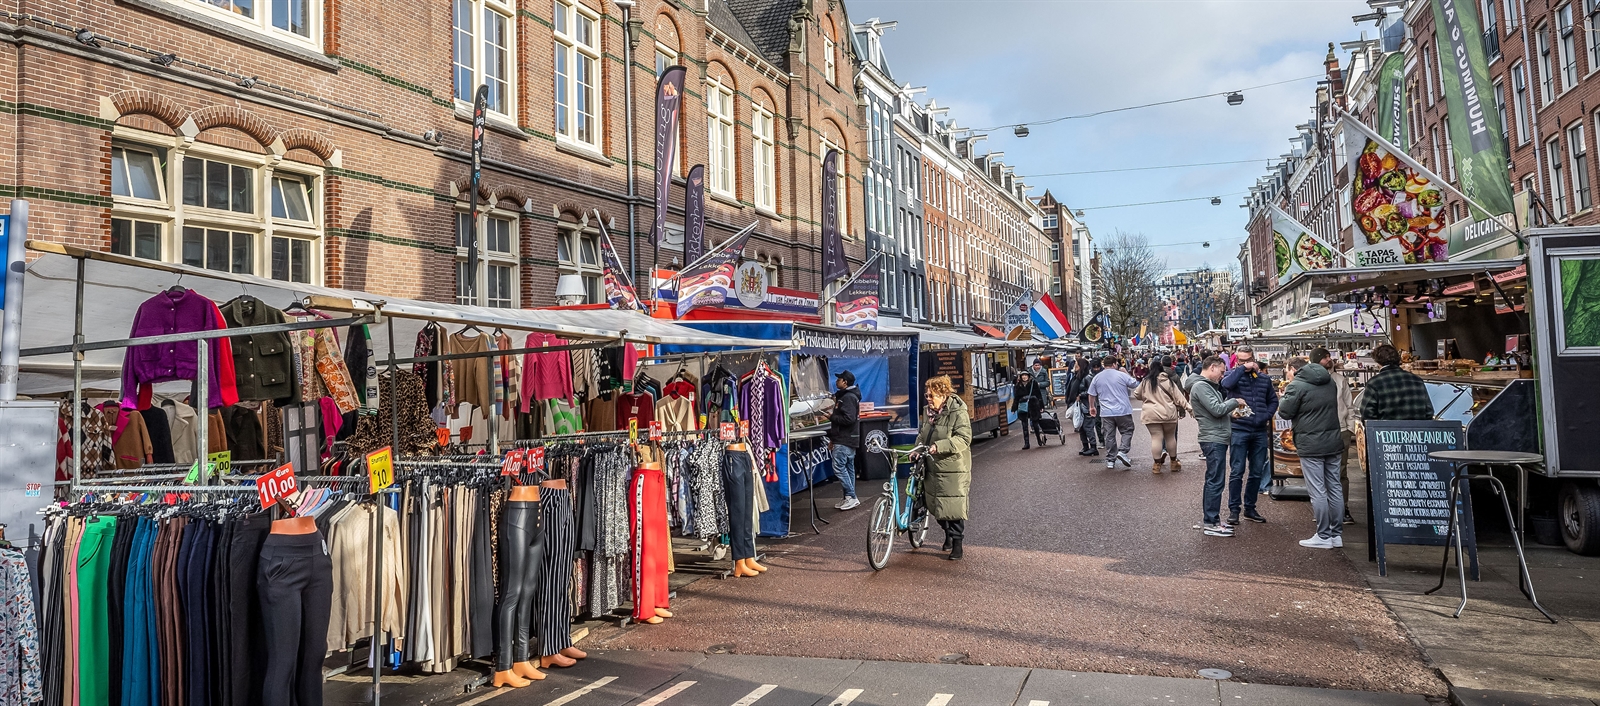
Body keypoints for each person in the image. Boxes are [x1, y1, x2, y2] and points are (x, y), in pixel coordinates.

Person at [1277, 357, 1347, 549]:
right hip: (1332, 439)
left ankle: (1323, 535)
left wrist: (1284, 395)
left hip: (1310, 443)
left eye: (1287, 370)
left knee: (1318, 490)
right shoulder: (1329, 381)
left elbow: (1285, 412)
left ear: (1292, 369)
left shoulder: (1296, 385)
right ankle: (1336, 534)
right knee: (1334, 486)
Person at [1186, 356, 1245, 537]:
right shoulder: (1202, 387)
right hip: (1213, 438)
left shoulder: (1205, 386)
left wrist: (1230, 416)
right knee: (1215, 481)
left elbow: (1215, 412)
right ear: (1212, 367)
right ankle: (1211, 522)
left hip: (1215, 436)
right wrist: (1235, 401)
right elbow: (1216, 409)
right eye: (1221, 371)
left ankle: (1213, 520)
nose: (1222, 375)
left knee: (1215, 480)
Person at [915, 375, 973, 560]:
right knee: (936, 507)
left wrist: (940, 446)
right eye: (927, 396)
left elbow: (964, 438)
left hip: (952, 468)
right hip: (932, 466)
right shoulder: (928, 411)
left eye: (932, 396)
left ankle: (957, 544)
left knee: (952, 507)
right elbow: (922, 435)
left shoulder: (958, 411)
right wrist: (916, 449)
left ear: (943, 394)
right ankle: (947, 533)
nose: (928, 399)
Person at [1221, 345, 1277, 525]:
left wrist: (1265, 416)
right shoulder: (1233, 377)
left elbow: (1273, 401)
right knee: (1237, 471)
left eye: (1248, 360)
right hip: (1239, 429)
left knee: (1256, 471)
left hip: (1259, 430)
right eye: (1242, 360)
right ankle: (1234, 509)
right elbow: (1226, 384)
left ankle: (1250, 508)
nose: (1246, 364)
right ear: (1237, 360)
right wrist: (1241, 369)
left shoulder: (1264, 379)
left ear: (1254, 358)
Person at [1312, 347, 1356, 524]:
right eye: (1325, 357)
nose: (1329, 359)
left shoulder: (1340, 380)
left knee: (1341, 471)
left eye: (1329, 356)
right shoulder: (1309, 381)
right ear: (1316, 361)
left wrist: (1350, 428)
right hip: (1318, 431)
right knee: (1319, 472)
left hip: (1341, 430)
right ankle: (1322, 510)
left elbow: (1349, 405)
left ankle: (1343, 508)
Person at [1133, 358, 1190, 474]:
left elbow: (1136, 394)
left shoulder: (1145, 381)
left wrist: (1146, 397)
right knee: (1170, 437)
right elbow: (1180, 398)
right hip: (1168, 413)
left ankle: (1157, 465)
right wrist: (1189, 409)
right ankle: (1174, 463)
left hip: (1150, 413)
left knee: (1156, 438)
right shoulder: (1168, 381)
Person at [1087, 356, 1140, 470]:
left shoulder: (1097, 377)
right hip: (1123, 410)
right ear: (1115, 364)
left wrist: (1092, 407)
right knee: (1127, 431)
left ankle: (1110, 460)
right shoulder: (1121, 375)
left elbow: (1091, 394)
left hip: (1106, 411)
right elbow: (1135, 384)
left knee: (1109, 435)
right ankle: (1123, 451)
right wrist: (1126, 372)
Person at [1360, 344, 1436, 421]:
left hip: (1386, 431)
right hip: (1416, 431)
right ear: (1397, 359)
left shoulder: (1374, 383)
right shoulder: (1417, 380)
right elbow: (1429, 412)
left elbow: (1367, 415)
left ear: (1378, 362)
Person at [827, 369, 862, 511]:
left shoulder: (847, 397)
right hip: (847, 438)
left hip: (845, 438)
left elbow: (849, 419)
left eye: (839, 379)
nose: (836, 381)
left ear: (845, 382)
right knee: (848, 467)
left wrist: (831, 417)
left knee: (839, 467)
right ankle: (848, 497)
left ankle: (852, 497)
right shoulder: (849, 396)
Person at [1012, 370, 1049, 449]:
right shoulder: (1018, 385)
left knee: (1035, 424)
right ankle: (1026, 443)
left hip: (1033, 405)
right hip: (1023, 406)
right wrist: (1014, 408)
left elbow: (1038, 395)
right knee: (1024, 426)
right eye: (1023, 375)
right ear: (1021, 377)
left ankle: (1038, 439)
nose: (1024, 377)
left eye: (1026, 375)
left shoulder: (1033, 383)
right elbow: (1016, 398)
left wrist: (1041, 406)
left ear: (1028, 376)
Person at [1070, 359, 1100, 456]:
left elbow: (1092, 391)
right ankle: (1085, 446)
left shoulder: (1087, 377)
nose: (1075, 365)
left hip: (1087, 405)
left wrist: (1080, 395)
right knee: (1081, 427)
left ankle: (1093, 447)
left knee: (1088, 427)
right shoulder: (1077, 376)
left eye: (1077, 364)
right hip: (1081, 405)